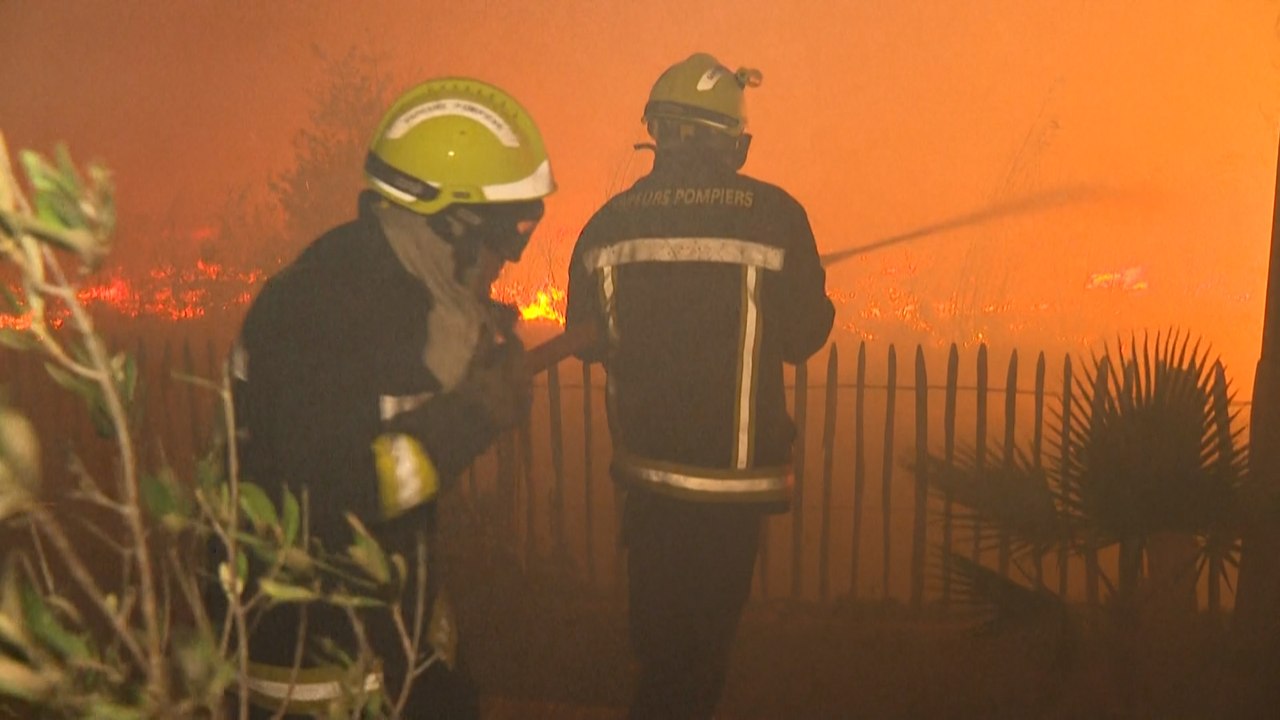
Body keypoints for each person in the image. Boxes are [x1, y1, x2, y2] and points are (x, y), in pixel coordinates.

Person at [226, 77, 555, 718]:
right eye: (509, 231)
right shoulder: (318, 313)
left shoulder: (398, 291)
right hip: (318, 657)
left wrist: (475, 364)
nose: (512, 256)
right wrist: (473, 414)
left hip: (396, 637)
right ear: (450, 221)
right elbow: (333, 493)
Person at [564, 53, 835, 719]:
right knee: (701, 658)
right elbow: (804, 337)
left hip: (649, 486)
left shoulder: (606, 225)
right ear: (726, 139)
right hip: (730, 490)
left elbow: (586, 341)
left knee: (659, 654)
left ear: (659, 130)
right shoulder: (775, 215)